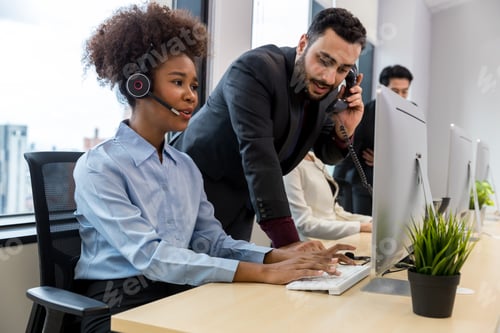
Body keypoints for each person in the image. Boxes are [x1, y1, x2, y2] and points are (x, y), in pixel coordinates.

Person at [73, 4, 356, 332]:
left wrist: (280, 257)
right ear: (138, 85)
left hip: (179, 294)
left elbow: (213, 242)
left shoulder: (185, 166)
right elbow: (152, 257)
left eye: (194, 86)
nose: (191, 97)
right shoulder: (99, 167)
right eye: (178, 83)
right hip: (120, 304)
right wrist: (263, 272)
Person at [172, 8, 367, 247]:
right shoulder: (256, 70)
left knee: (228, 281)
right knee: (183, 282)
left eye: (343, 69)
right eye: (325, 60)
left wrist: (342, 131)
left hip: (241, 204)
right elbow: (260, 157)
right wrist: (290, 246)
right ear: (303, 43)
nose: (329, 77)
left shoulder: (326, 91)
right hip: (191, 192)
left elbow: (326, 152)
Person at [333, 64, 414, 215]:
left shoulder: (412, 115)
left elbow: (414, 154)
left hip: (397, 188)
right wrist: (334, 185)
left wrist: (386, 161)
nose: (401, 97)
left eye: (405, 92)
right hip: (364, 186)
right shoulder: (365, 112)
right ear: (382, 89)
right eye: (395, 91)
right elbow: (349, 151)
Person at [284, 151, 372, 241]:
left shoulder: (315, 158)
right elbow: (304, 224)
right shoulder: (290, 166)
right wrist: (361, 227)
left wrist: (369, 221)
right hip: (312, 245)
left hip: (331, 241)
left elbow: (336, 213)